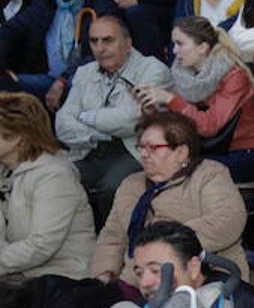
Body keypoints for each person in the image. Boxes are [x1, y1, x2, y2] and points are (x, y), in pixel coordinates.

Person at [92, 111, 248, 286]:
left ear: (181, 152)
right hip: (137, 282)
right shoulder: (130, 185)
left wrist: (164, 245)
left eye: (152, 148)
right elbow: (112, 237)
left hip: (202, 280)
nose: (143, 154)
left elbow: (227, 221)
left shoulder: (209, 174)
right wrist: (104, 275)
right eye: (141, 147)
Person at [54, 16, 172, 226]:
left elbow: (133, 119)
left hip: (136, 150)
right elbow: (62, 124)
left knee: (112, 187)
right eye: (94, 41)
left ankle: (113, 247)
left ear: (128, 43)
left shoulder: (153, 70)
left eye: (108, 40)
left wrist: (85, 116)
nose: (100, 48)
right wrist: (100, 131)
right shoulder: (85, 72)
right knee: (57, 179)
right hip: (89, 148)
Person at [135, 16, 254, 181]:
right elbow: (179, 125)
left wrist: (170, 99)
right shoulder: (184, 76)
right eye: (174, 44)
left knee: (172, 168)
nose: (174, 51)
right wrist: (152, 111)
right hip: (201, 150)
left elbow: (210, 125)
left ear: (202, 47)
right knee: (156, 166)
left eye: (180, 44)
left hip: (240, 153)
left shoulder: (234, 76)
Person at [0, 0, 119, 104]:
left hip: (84, 78)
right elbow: (11, 30)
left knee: (73, 86)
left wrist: (63, 80)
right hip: (47, 77)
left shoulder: (101, 6)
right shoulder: (45, 1)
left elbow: (99, 54)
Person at [0, 92, 95, 281]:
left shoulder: (54, 175)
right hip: (17, 275)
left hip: (61, 277)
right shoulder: (6, 171)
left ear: (17, 136)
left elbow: (42, 245)